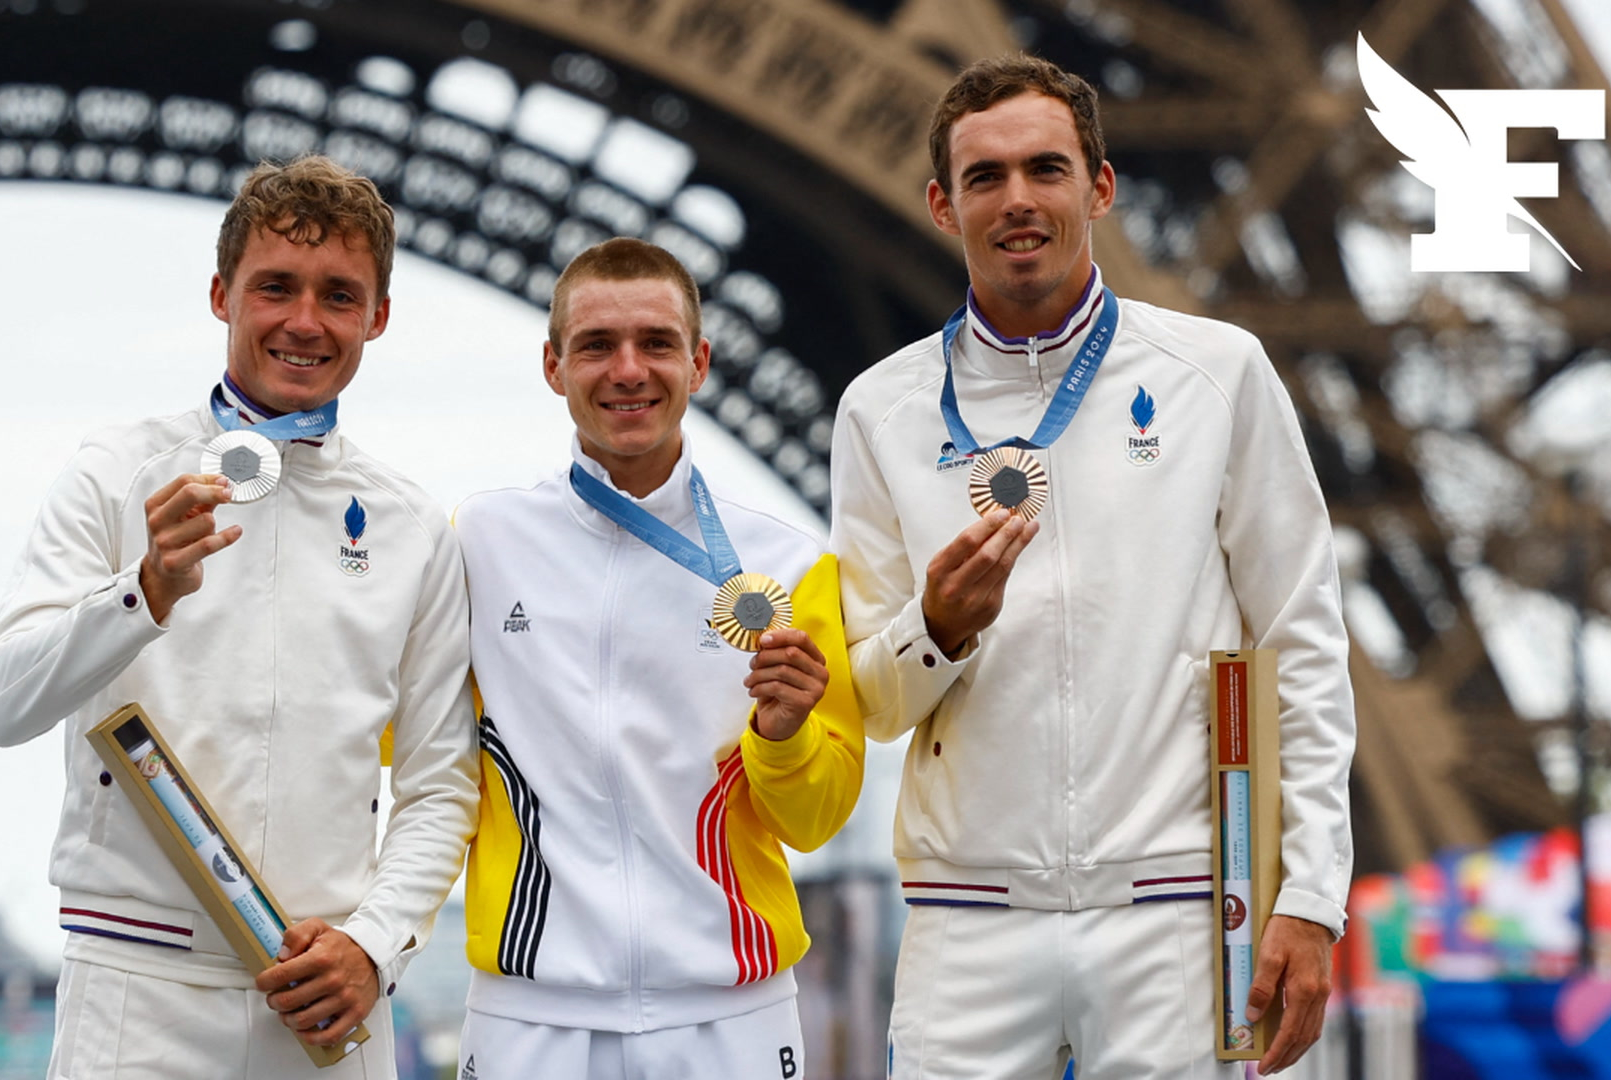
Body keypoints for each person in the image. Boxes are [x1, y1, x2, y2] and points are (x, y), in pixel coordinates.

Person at [828, 56, 1355, 1079]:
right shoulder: (878, 411)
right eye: (985, 177)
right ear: (943, 204)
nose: (1017, 199)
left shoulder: (1220, 375)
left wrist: (1312, 893)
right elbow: (874, 704)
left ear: (1099, 187)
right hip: (967, 920)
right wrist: (934, 630)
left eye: (1046, 169)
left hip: (1175, 910)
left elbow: (1303, 638)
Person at [0, 155, 478, 1079]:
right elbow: (2, 701)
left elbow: (441, 784)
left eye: (339, 294)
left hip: (328, 999)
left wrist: (374, 945)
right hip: (136, 991)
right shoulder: (115, 471)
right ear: (221, 295)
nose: (304, 321)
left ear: (379, 317)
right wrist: (144, 590)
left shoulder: (411, 526)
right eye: (275, 287)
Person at [449, 237, 865, 1080]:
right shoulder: (476, 546)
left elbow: (817, 818)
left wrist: (782, 737)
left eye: (657, 343)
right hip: (533, 1014)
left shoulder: (789, 567)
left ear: (700, 361)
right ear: (553, 365)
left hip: (730, 1015)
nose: (628, 369)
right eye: (598, 345)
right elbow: (388, 737)